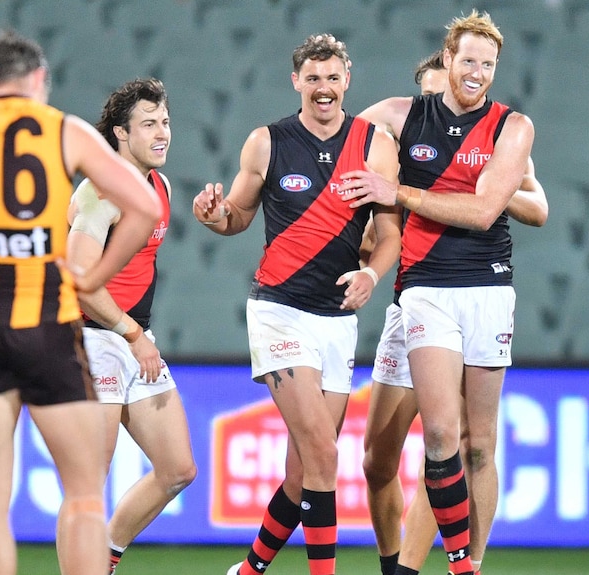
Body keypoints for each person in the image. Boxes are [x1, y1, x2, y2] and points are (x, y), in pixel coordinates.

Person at [0, 31, 162, 575]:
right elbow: (145, 206)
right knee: (85, 493)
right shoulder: (64, 130)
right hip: (47, 323)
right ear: (38, 80)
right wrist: (92, 277)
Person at [192, 34, 402, 575]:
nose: (323, 88)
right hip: (278, 311)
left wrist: (372, 275)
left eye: (332, 78)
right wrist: (214, 214)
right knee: (327, 457)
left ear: (347, 80)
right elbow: (236, 216)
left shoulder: (375, 144)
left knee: (302, 471)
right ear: (296, 82)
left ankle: (249, 569)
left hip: (337, 321)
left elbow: (390, 235)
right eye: (313, 78)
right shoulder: (267, 142)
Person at [338, 10, 536, 575]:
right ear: (447, 57)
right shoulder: (401, 116)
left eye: (488, 64)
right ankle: (443, 564)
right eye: (468, 59)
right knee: (443, 434)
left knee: (480, 445)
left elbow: (482, 212)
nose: (477, 72)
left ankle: (471, 561)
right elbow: (332, 145)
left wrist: (396, 191)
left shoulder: (513, 127)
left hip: (490, 288)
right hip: (425, 289)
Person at [67, 78, 197, 575]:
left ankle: (104, 555)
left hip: (129, 336)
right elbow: (79, 281)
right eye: (149, 124)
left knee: (177, 469)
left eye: (165, 122)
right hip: (91, 339)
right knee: (88, 485)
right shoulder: (102, 191)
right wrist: (133, 335)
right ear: (121, 133)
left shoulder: (156, 185)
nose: (162, 133)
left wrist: (135, 335)